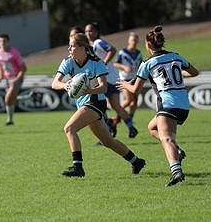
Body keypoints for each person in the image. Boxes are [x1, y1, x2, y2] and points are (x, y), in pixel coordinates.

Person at [51, 33, 145, 177]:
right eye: (69, 46)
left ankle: (78, 167)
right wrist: (65, 86)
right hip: (83, 104)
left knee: (69, 128)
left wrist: (89, 90)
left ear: (82, 47)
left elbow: (103, 87)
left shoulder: (96, 62)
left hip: (96, 102)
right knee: (107, 141)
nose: (69, 49)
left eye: (72, 46)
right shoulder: (68, 62)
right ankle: (136, 161)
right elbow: (54, 83)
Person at [116, 26, 199, 186]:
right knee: (152, 128)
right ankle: (178, 151)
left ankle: (176, 172)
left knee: (167, 138)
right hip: (184, 105)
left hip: (167, 104)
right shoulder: (176, 56)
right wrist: (177, 74)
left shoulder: (148, 62)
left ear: (148, 44)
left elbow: (135, 90)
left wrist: (125, 85)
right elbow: (195, 72)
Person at [85, 22, 138, 138]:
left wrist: (103, 63)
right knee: (116, 106)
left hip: (105, 79)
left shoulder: (98, 42)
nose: (88, 33)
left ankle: (108, 128)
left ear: (97, 32)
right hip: (113, 77)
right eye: (86, 31)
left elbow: (112, 49)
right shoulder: (91, 46)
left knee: (99, 106)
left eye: (91, 31)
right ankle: (131, 127)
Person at [0, 33, 27, 126]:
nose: (2, 43)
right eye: (0, 41)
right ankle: (10, 120)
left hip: (16, 78)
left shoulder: (14, 53)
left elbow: (24, 68)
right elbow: (0, 65)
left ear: (8, 42)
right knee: (10, 100)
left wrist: (16, 79)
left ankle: (10, 118)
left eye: (4, 41)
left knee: (7, 99)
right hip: (7, 79)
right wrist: (0, 76)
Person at [114, 32, 142, 121]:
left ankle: (130, 117)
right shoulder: (122, 52)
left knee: (135, 101)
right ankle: (117, 117)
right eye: (132, 40)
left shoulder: (139, 53)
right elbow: (115, 64)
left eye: (135, 40)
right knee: (128, 100)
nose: (134, 42)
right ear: (128, 41)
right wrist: (124, 67)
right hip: (124, 79)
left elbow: (141, 65)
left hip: (135, 79)